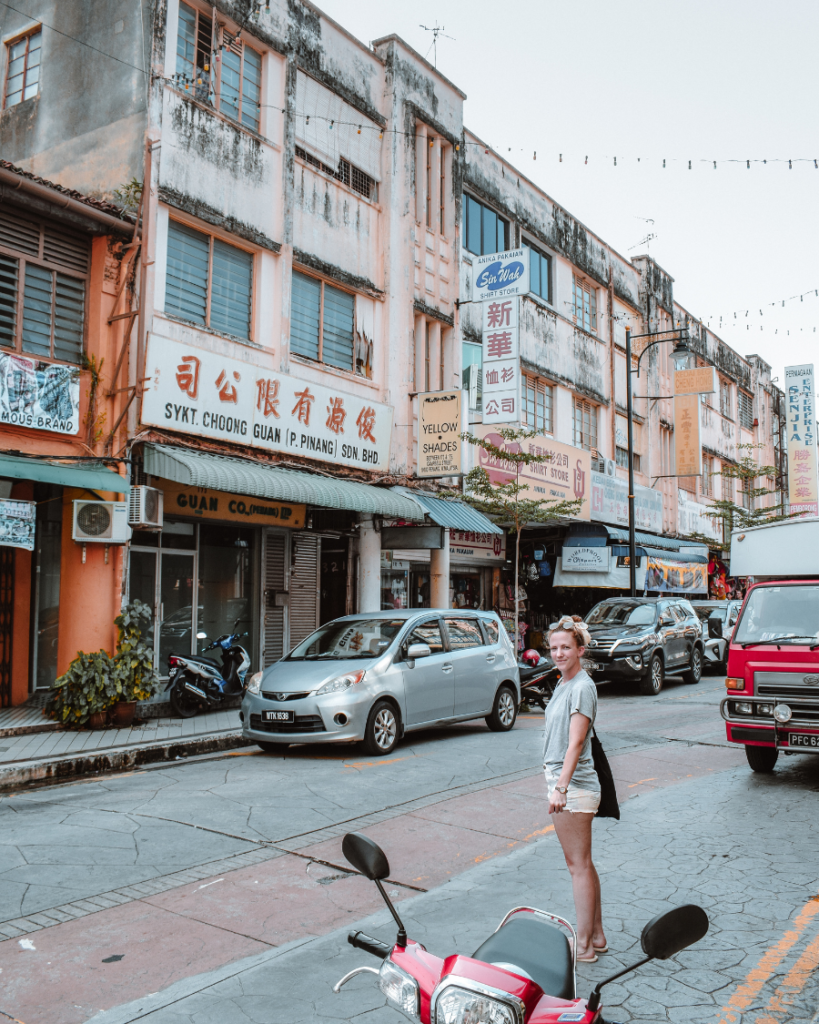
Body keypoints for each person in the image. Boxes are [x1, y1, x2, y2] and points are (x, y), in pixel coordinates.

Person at [543, 613, 605, 962]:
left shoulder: (581, 686)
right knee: (584, 863)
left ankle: (582, 946)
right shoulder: (565, 682)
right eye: (554, 648)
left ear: (580, 649)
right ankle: (596, 935)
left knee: (577, 866)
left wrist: (561, 788)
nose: (559, 653)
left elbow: (576, 743)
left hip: (574, 788)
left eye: (566, 647)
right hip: (570, 785)